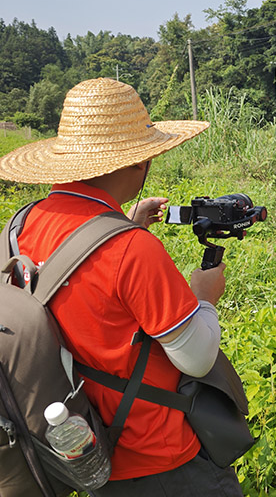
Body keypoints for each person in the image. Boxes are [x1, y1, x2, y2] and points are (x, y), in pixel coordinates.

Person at [0, 78, 242, 496]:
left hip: (87, 449)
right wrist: (204, 295)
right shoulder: (132, 250)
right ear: (138, 162)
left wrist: (121, 226)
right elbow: (198, 358)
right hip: (159, 455)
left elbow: (73, 292)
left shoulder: (19, 227)